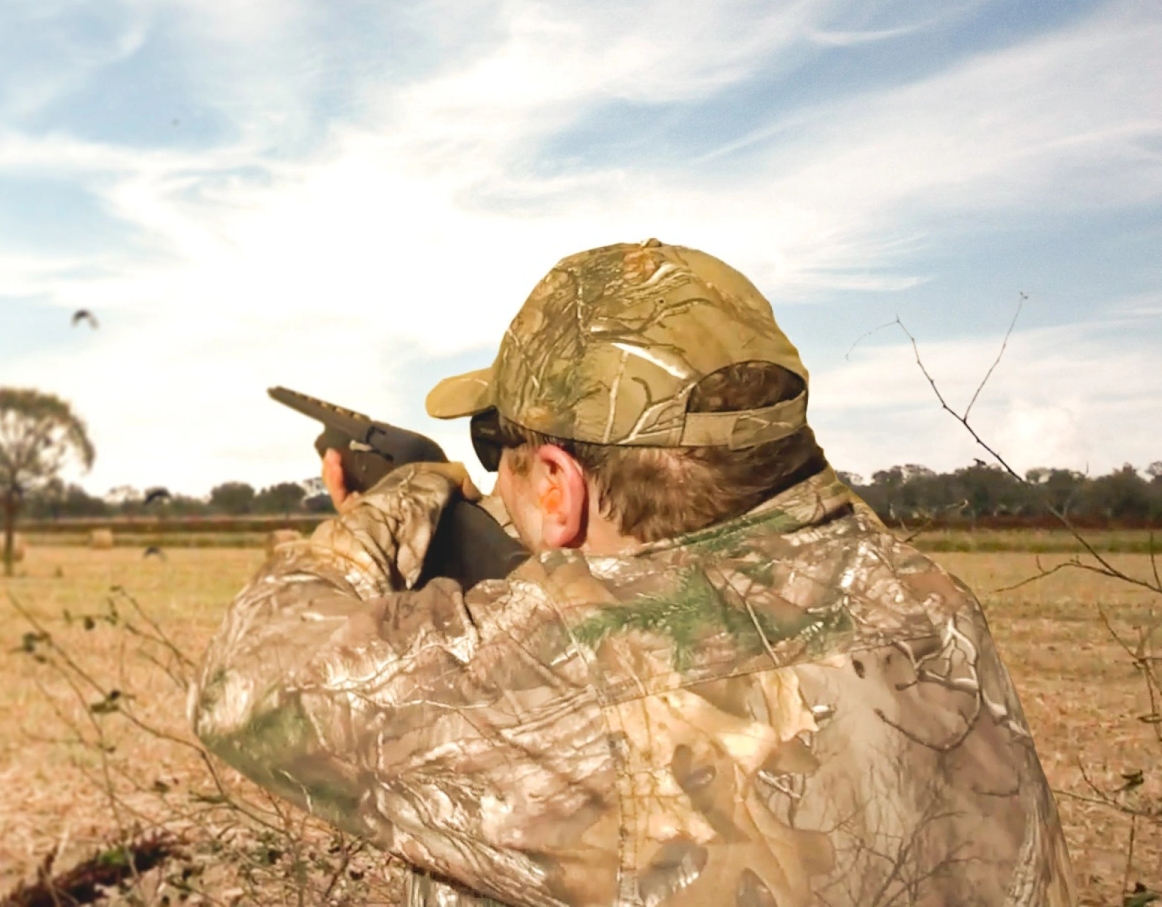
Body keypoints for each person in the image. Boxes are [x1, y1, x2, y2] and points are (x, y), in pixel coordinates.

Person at [190, 240, 1074, 907]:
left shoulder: (584, 672)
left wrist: (407, 497)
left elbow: (246, 680)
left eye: (497, 447)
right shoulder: (927, 603)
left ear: (559, 485)